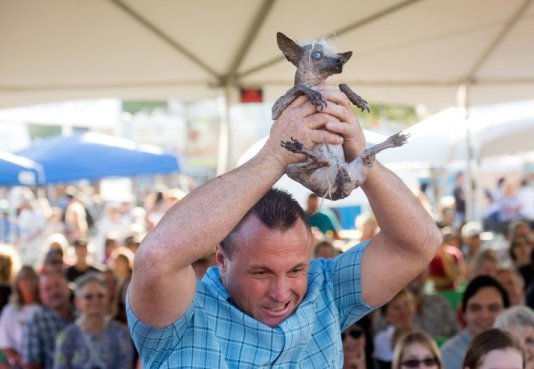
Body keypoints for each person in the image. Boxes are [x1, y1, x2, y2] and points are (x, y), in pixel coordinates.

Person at [126, 85, 441, 368]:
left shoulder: (324, 292)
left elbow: (419, 243)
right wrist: (274, 157)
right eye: (260, 273)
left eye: (295, 270)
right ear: (222, 260)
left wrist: (362, 157)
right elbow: (158, 257)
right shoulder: (185, 314)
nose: (281, 293)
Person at [53, 273, 134, 369]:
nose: (95, 300)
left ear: (107, 298)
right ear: (77, 302)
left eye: (100, 296)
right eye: (88, 297)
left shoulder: (121, 333)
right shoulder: (66, 337)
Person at [441, 276, 510, 369]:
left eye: (493, 308)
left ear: (506, 312)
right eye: (476, 308)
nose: (484, 315)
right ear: (464, 313)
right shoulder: (449, 355)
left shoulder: (522, 346)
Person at [21, 270, 74, 369]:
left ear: (67, 287)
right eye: (47, 289)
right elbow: (31, 365)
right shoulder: (36, 321)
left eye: (58, 285)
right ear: (41, 295)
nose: (54, 291)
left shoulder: (81, 314)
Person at [0, 266, 41, 368]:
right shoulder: (10, 311)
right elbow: (5, 344)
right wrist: (22, 362)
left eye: (32, 278)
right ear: (17, 284)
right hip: (17, 364)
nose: (28, 283)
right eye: (24, 279)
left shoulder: (45, 308)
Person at [373, 289, 417, 369]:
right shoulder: (382, 338)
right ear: (386, 315)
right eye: (396, 307)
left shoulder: (420, 333)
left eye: (407, 304)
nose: (403, 311)